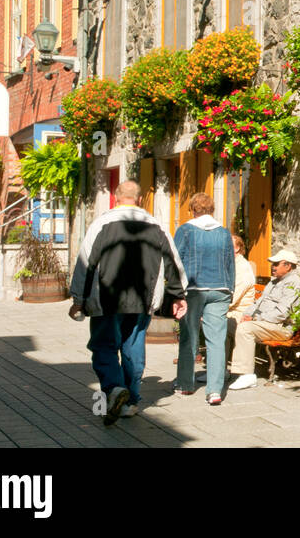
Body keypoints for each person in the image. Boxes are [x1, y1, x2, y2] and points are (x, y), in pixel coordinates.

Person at [68, 180, 187, 425]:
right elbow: (173, 262)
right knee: (133, 348)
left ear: (115, 197)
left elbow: (85, 263)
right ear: (141, 199)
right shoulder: (157, 226)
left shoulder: (101, 223)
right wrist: (178, 295)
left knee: (103, 347)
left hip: (106, 298)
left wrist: (78, 299)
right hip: (143, 299)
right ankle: (130, 402)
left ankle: (112, 388)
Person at [172, 193, 234, 406]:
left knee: (189, 335)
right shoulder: (224, 233)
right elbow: (229, 262)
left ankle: (185, 384)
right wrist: (230, 288)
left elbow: (175, 260)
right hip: (220, 287)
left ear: (192, 209)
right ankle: (215, 390)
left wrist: (174, 291)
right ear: (213, 209)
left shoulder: (186, 230)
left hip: (194, 288)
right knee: (217, 339)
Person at [228, 249, 300, 390]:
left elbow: (282, 313)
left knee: (245, 329)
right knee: (227, 324)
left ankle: (246, 375)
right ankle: (221, 370)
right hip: (264, 324)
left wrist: (255, 318)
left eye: (276, 264)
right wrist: (246, 314)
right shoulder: (273, 282)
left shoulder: (294, 284)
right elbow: (257, 303)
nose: (273, 267)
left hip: (282, 328)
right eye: (272, 264)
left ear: (288, 266)